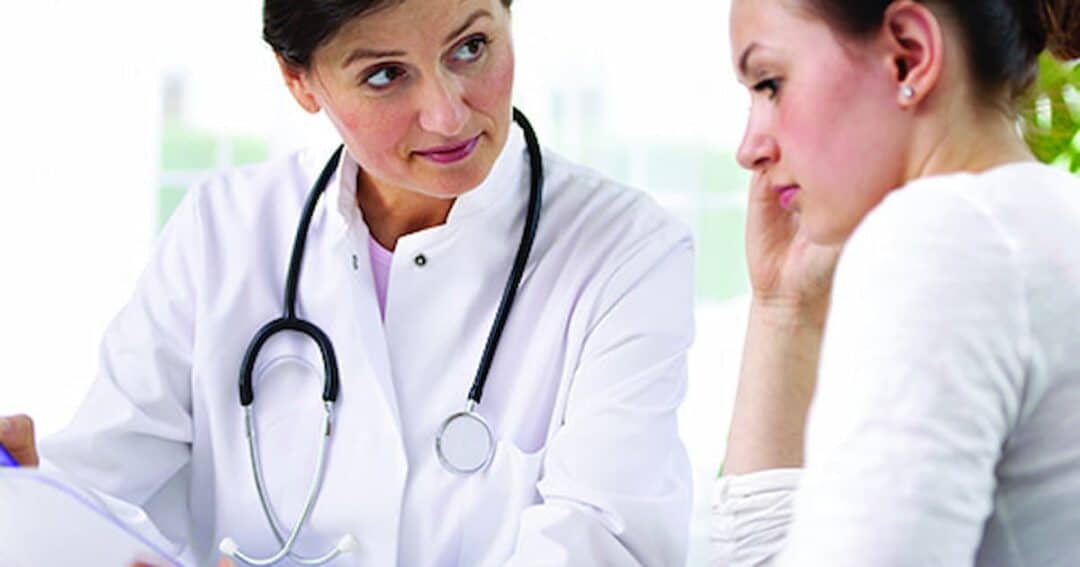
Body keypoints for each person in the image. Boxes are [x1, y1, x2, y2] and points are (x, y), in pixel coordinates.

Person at [0, 0, 695, 564]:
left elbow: (607, 542)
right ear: (298, 80)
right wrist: (37, 502)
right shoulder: (223, 232)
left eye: (472, 47)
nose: (448, 114)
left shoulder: (625, 250)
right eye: (386, 75)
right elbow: (105, 485)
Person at [714, 0, 1080, 565]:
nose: (750, 148)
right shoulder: (1042, 221)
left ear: (909, 56)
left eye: (769, 83)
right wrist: (781, 306)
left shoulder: (944, 237)